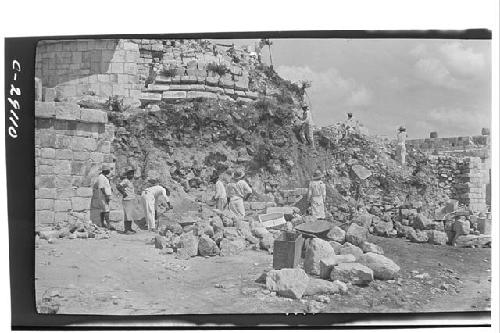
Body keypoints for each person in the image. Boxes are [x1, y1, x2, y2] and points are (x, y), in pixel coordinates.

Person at [116, 167, 137, 234]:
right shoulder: (125, 180)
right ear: (127, 175)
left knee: (130, 215)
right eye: (130, 174)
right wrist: (124, 193)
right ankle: (127, 230)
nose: (132, 175)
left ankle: (130, 228)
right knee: (127, 215)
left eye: (132, 174)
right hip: (127, 200)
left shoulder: (129, 181)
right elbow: (118, 186)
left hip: (131, 199)